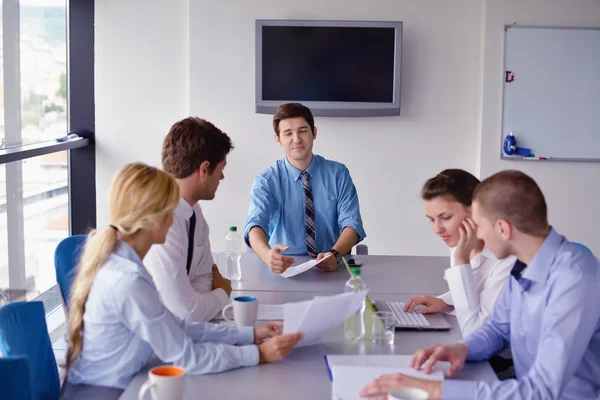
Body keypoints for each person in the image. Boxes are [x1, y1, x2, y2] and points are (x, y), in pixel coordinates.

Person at [61, 163, 302, 400]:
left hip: (121, 382)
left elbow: (178, 326)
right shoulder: (128, 281)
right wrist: (259, 354)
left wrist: (250, 335)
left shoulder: (124, 263)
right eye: (171, 208)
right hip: (108, 393)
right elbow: (187, 357)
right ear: (154, 218)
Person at [360, 170, 600, 400]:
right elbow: (496, 328)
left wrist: (436, 391)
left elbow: (541, 391)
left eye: (479, 225)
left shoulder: (575, 280)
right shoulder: (525, 264)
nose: (479, 236)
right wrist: (461, 349)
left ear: (503, 229)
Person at [245, 103, 366, 273]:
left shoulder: (338, 173)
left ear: (314, 133)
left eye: (302, 130)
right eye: (288, 133)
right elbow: (255, 224)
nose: (297, 139)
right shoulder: (266, 180)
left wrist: (335, 253)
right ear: (278, 139)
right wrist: (267, 255)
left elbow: (352, 223)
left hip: (330, 266)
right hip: (284, 268)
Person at [403, 169, 516, 337]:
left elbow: (477, 332)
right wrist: (444, 302)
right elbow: (479, 290)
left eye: (446, 217)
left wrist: (460, 260)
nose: (437, 229)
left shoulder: (507, 260)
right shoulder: (460, 242)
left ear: (474, 212)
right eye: (432, 220)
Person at [144, 117, 233, 322]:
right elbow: (186, 313)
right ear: (204, 169)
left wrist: (196, 300)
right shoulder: (161, 221)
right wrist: (221, 294)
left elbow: (205, 276)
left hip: (178, 334)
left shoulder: (193, 212)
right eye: (221, 169)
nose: (222, 177)